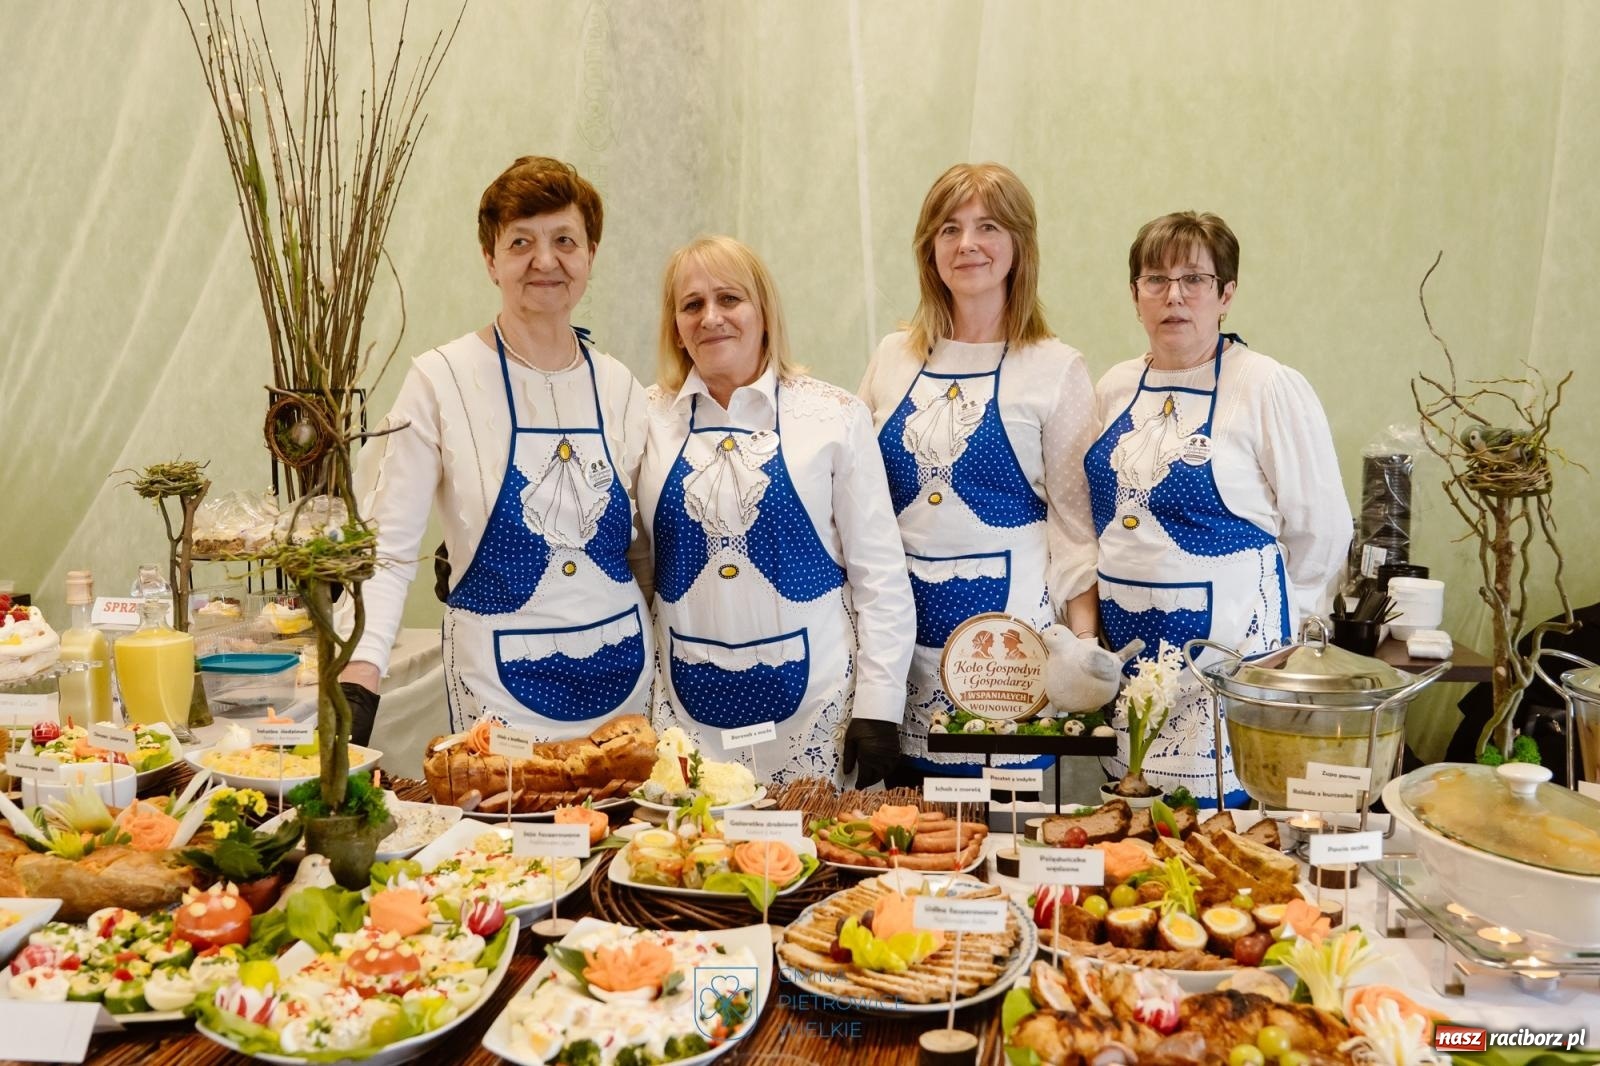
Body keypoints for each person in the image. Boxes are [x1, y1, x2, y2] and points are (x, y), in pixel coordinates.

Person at [340, 156, 653, 743]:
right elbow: (388, 547)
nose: (545, 260)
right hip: (499, 697)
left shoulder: (620, 387)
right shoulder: (441, 380)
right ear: (490, 260)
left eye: (565, 240)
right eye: (520, 243)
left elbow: (646, 551)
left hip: (626, 691)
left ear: (590, 256)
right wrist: (362, 672)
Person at [1085, 211, 1351, 806]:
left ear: (1226, 294)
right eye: (1155, 280)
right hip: (1129, 647)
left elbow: (1324, 529)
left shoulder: (1265, 385)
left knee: (1212, 826)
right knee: (1132, 810)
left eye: (1194, 280)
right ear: (1135, 296)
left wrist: (1287, 640)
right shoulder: (1114, 386)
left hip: (1230, 653)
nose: (1173, 296)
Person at [637, 236, 914, 786]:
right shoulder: (644, 418)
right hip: (686, 714)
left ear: (764, 311)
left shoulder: (835, 415)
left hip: (818, 719)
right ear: (675, 326)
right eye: (692, 305)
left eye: (730, 298)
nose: (711, 317)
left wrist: (879, 708)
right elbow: (620, 550)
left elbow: (879, 577)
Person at [858, 162, 1101, 779]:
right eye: (949, 229)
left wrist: (1083, 652)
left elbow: (1075, 531)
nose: (967, 245)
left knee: (1002, 851)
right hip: (898, 657)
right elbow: (855, 506)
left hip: (1007, 664)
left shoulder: (1056, 368)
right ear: (928, 249)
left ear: (1019, 245)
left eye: (988, 226)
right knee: (902, 852)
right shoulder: (893, 357)